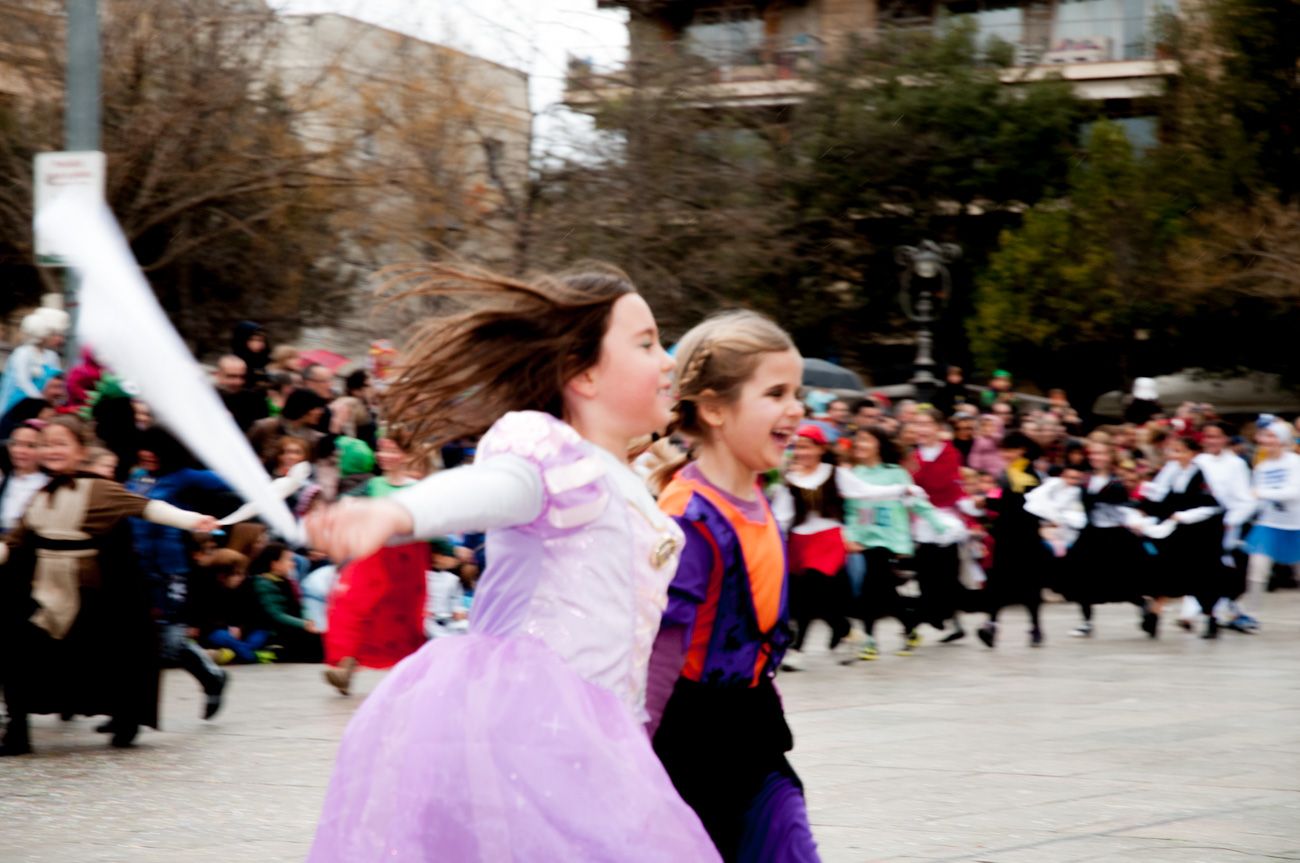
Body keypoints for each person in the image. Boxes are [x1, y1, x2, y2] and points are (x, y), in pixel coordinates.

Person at [304, 263, 718, 861]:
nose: (668, 361)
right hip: (529, 738)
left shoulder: (618, 476)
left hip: (602, 742)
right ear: (583, 374)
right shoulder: (552, 455)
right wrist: (397, 515)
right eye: (646, 343)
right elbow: (497, 486)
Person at [645, 310, 820, 861]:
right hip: (688, 749)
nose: (795, 408)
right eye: (775, 393)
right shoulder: (691, 516)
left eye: (797, 392)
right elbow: (658, 653)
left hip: (754, 734)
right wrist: (630, 765)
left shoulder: (757, 495)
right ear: (715, 408)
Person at [0, 416, 219, 755]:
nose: (52, 450)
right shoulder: (39, 496)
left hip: (90, 596)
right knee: (16, 647)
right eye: (46, 444)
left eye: (61, 443)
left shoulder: (99, 488)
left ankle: (126, 716)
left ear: (80, 450)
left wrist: (192, 520)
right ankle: (17, 730)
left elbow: (146, 507)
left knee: (109, 657)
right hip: (44, 591)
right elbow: (15, 543)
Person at [773, 424, 918, 667]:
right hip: (799, 541)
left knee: (812, 584)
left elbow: (866, 492)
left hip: (828, 538)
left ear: (820, 449)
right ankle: (844, 628)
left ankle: (797, 650)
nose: (801, 452)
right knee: (807, 595)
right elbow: (781, 516)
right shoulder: (790, 480)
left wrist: (902, 489)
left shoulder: (835, 473)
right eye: (797, 447)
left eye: (807, 447)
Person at [322, 434, 430, 694]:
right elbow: (344, 506)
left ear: (406, 455)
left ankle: (407, 670)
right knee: (352, 603)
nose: (385, 456)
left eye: (392, 450)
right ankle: (345, 663)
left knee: (399, 616)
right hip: (374, 553)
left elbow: (431, 520)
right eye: (382, 450)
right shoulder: (372, 485)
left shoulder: (418, 487)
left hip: (408, 557)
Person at [842, 427, 938, 659]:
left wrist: (940, 523)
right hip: (865, 538)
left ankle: (871, 641)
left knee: (870, 586)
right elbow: (851, 510)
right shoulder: (854, 474)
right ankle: (909, 628)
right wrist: (850, 536)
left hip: (890, 539)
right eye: (859, 441)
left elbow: (916, 502)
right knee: (883, 590)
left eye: (866, 439)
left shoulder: (895, 473)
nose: (860, 444)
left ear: (878, 444)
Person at [1139, 436, 1226, 638]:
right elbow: (1159, 494)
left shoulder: (1202, 473)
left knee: (1201, 578)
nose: (1174, 455)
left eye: (1179, 451)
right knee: (1165, 574)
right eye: (1173, 451)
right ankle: (1154, 615)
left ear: (1192, 453)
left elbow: (1211, 506)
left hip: (1198, 535)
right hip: (1175, 533)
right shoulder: (1171, 471)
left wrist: (1184, 516)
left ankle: (1211, 619)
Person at [1061, 442, 1149, 638]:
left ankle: (1143, 606)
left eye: (1100, 453)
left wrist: (1136, 521)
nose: (1096, 457)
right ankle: (1086, 621)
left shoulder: (1116, 482)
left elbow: (1123, 509)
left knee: (1121, 578)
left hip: (1113, 536)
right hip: (1091, 534)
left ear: (1109, 456)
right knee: (1082, 577)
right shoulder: (1086, 480)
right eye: (1093, 453)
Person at [976, 432, 1049, 648]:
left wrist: (988, 501)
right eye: (1004, 450)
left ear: (1021, 451)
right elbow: (999, 498)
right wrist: (989, 501)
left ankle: (1034, 626)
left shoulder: (1028, 475)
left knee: (1028, 585)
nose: (1005, 454)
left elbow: (1017, 504)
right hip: (1007, 537)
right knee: (999, 583)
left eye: (1009, 449)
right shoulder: (1008, 472)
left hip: (1024, 538)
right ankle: (992, 624)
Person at [906, 408, 970, 642]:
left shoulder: (950, 453)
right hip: (921, 520)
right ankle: (941, 617)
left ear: (937, 427)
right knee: (925, 572)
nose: (921, 429)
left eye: (926, 424)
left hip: (946, 519)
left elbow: (940, 483)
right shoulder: (912, 455)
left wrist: (917, 483)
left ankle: (947, 618)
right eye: (917, 424)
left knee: (946, 572)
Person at [1190, 421, 1257, 632]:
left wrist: (1232, 521)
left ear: (1225, 439)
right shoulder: (1198, 461)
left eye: (1216, 436)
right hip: (1200, 522)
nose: (1212, 441)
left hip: (1227, 521)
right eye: (1208, 437)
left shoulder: (1236, 464)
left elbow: (1245, 498)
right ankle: (1201, 611)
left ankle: (1229, 609)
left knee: (1225, 566)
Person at [1244, 419, 1300, 600]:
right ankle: (1250, 611)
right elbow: (1255, 499)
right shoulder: (1261, 467)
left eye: (1272, 436)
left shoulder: (1294, 462)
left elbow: (1294, 492)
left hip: (1296, 523)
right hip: (1269, 523)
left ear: (1282, 440)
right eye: (1265, 436)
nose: (1266, 440)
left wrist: (1261, 493)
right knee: (1257, 567)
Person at [193, 549, 271, 664]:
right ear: (222, 575)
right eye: (236, 574)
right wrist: (227, 628)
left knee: (261, 633)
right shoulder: (207, 590)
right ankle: (252, 656)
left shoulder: (246, 586)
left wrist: (241, 628)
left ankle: (235, 654)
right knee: (222, 637)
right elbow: (204, 619)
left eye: (242, 574)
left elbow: (257, 615)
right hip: (219, 631)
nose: (241, 578)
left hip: (244, 630)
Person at [252, 542, 323, 662]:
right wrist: (303, 624)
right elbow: (276, 615)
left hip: (294, 628)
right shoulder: (263, 584)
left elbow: (300, 607)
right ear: (274, 564)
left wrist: (308, 621)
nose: (293, 564)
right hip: (278, 632)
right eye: (288, 560)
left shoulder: (288, 582)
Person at [0, 307, 67, 417]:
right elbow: (22, 381)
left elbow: (57, 379)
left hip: (44, 406)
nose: (58, 339)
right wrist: (39, 400)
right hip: (21, 405)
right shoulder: (22, 353)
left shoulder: (51, 355)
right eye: (52, 334)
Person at [0, 421, 48, 535]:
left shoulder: (48, 483)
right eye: (15, 444)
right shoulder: (3, 479)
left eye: (30, 445)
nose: (19, 451)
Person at [213, 354, 268, 432]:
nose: (238, 382)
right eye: (231, 376)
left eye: (241, 377)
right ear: (217, 375)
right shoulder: (206, 398)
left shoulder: (255, 400)